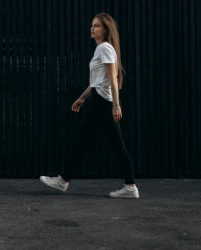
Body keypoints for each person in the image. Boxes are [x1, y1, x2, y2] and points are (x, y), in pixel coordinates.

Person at [40, 13, 139, 199]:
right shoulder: (101, 49)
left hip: (104, 104)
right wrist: (82, 98)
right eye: (92, 25)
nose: (92, 28)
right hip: (101, 101)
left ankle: (64, 181)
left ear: (106, 30)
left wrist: (116, 105)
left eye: (97, 26)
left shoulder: (104, 49)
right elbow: (98, 81)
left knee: (85, 142)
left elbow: (113, 79)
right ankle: (130, 185)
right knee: (113, 145)